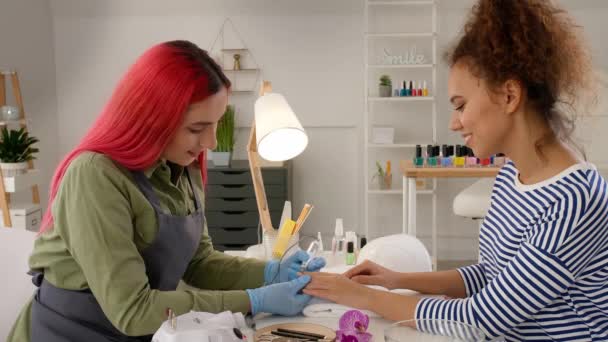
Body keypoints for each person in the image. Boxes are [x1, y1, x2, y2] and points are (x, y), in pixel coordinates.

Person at [304, 0, 608, 340]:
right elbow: (491, 275)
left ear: (509, 95)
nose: (453, 123)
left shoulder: (577, 200)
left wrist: (365, 297)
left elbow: (484, 317)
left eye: (461, 106)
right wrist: (396, 280)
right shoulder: (510, 174)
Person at [8, 40, 325, 342]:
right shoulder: (95, 176)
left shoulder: (182, 168)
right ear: (150, 118)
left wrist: (270, 273)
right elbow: (133, 311)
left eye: (216, 124)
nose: (211, 143)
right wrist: (252, 300)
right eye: (196, 129)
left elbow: (199, 262)